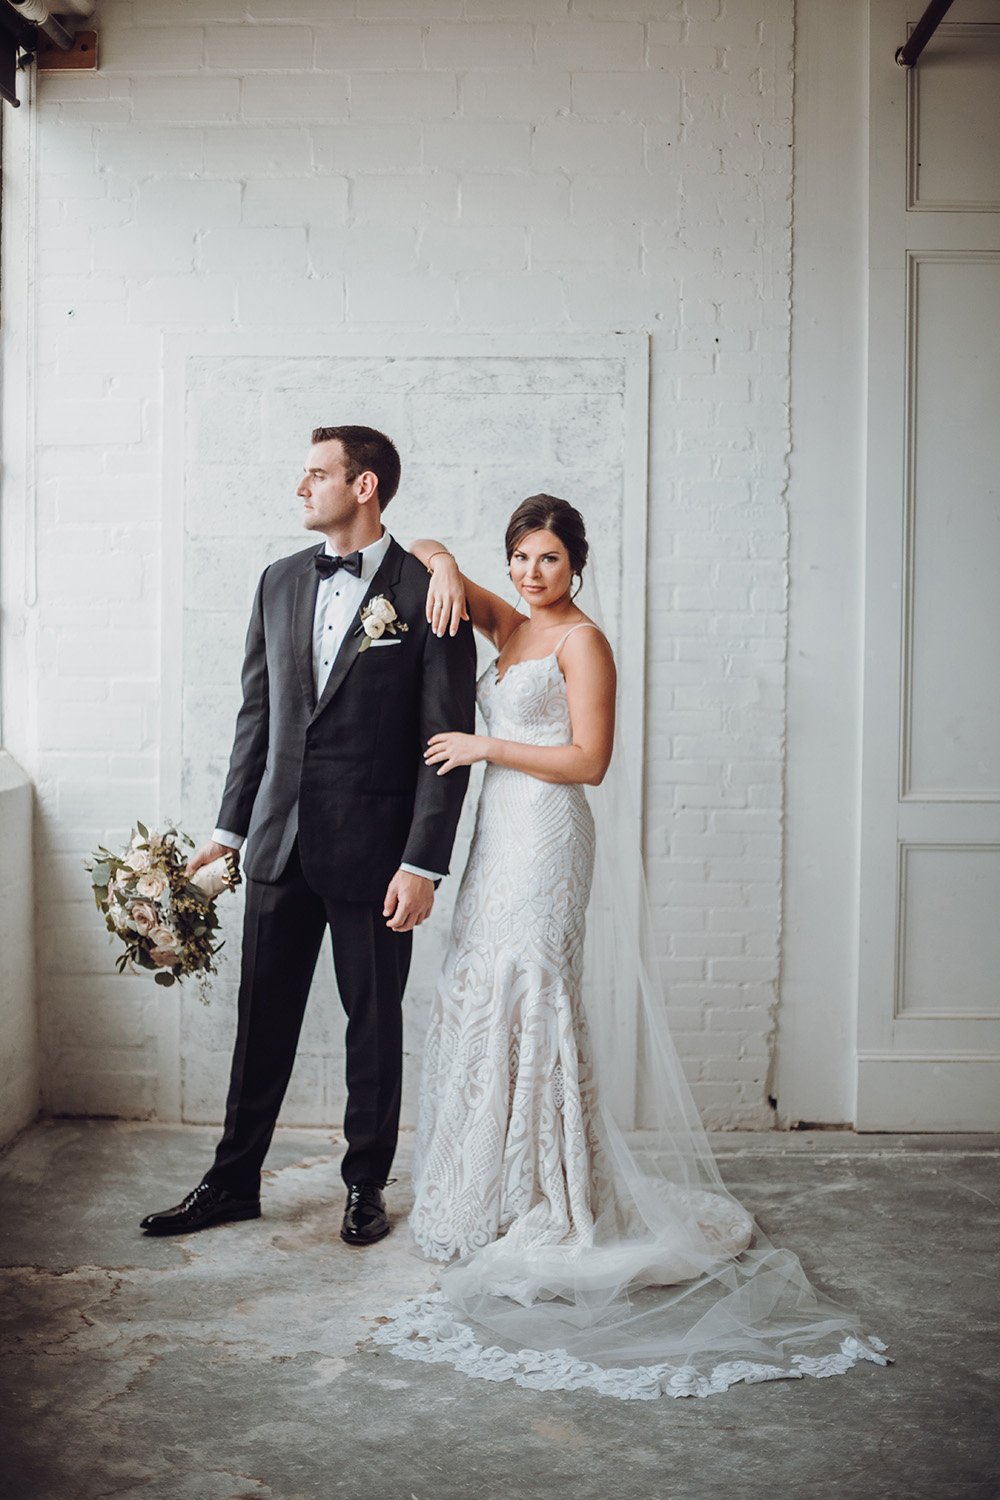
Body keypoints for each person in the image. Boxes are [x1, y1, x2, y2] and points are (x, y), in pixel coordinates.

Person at [372, 496, 891, 1402]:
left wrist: (486, 742)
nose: (533, 574)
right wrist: (448, 562)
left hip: (548, 833)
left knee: (532, 988)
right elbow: (418, 551)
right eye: (521, 558)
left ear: (578, 564)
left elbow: (590, 760)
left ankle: (551, 1193)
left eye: (550, 560)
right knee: (477, 985)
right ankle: (484, 1190)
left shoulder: (580, 641)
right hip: (497, 834)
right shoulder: (514, 624)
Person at [140, 425, 477, 1247]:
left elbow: (445, 743)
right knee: (263, 1021)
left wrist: (422, 863)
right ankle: (231, 1182)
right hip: (279, 842)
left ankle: (365, 1187)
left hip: (376, 852)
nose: (301, 488)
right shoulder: (278, 581)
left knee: (375, 1025)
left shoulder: (429, 589)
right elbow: (258, 717)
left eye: (317, 474)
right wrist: (227, 831)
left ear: (363, 487)